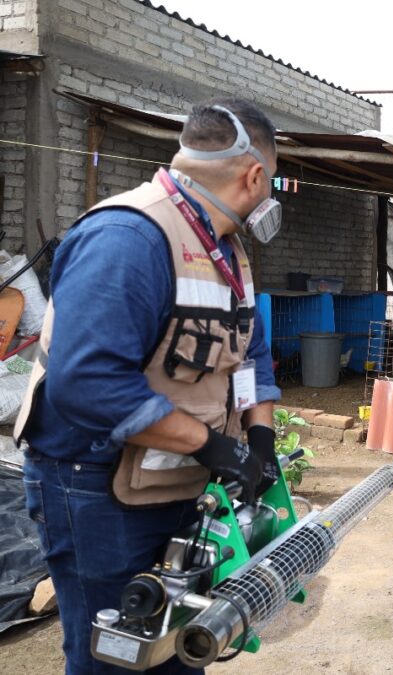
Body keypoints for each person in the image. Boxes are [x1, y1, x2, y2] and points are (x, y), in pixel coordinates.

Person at [17, 98, 285, 674]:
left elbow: (249, 349)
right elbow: (88, 384)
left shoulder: (227, 251)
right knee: (118, 656)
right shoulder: (128, 237)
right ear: (256, 175)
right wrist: (214, 446)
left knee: (176, 645)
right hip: (96, 487)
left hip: (174, 483)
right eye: (273, 183)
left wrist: (258, 439)